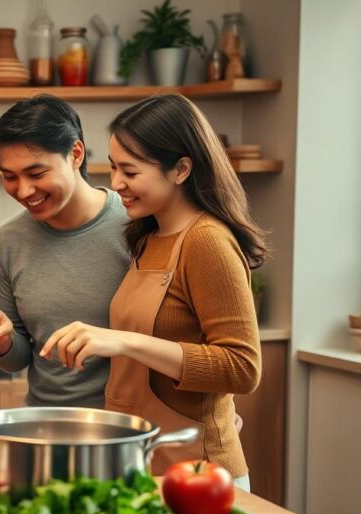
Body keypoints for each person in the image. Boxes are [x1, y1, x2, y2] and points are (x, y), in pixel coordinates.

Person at [41, 94, 267, 489]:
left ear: (180, 169)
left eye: (130, 171)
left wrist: (127, 342)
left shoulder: (207, 241)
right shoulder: (148, 236)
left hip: (200, 474)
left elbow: (242, 367)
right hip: (143, 463)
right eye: (113, 168)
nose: (115, 184)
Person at [0, 95, 130, 409]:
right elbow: (17, 359)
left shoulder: (134, 225)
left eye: (37, 174)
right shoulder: (9, 240)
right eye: (9, 177)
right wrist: (0, 343)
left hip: (126, 423)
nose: (23, 191)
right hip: (46, 420)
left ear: (76, 154)